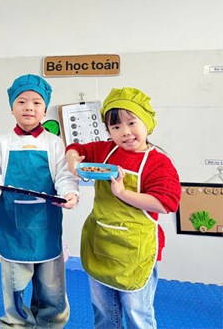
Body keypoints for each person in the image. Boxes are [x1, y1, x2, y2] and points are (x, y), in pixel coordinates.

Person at [65, 87, 181, 329]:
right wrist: (73, 160)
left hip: (135, 251)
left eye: (132, 123)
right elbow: (77, 148)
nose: (125, 132)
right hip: (101, 243)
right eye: (116, 127)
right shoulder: (106, 150)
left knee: (137, 312)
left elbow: (166, 203)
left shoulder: (158, 162)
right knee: (104, 311)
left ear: (147, 122)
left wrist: (123, 193)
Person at [0, 74, 79, 329]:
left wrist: (70, 193)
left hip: (46, 224)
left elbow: (64, 176)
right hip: (13, 226)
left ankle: (51, 323)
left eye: (36, 102)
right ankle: (16, 324)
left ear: (44, 108)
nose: (29, 107)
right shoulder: (3, 143)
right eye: (21, 101)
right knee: (15, 285)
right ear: (12, 108)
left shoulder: (55, 144)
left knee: (51, 287)